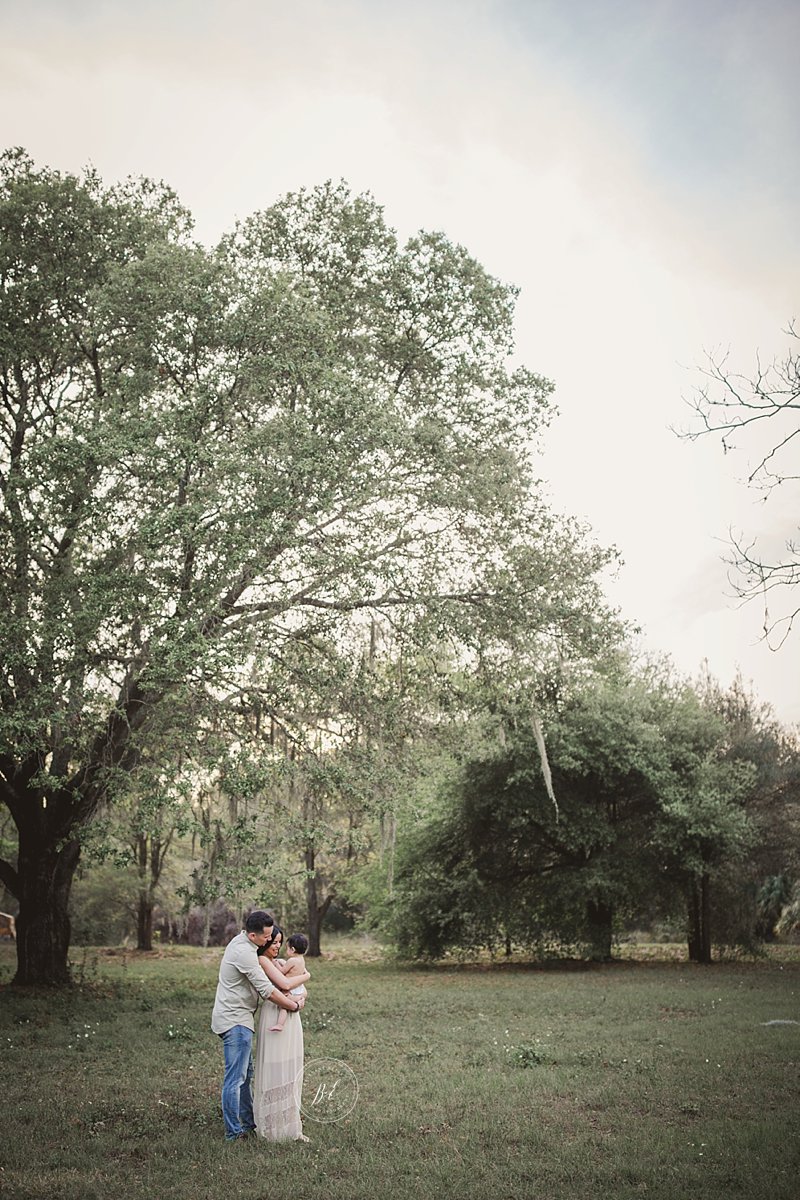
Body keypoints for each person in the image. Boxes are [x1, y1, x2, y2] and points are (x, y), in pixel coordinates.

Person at [211, 911, 309, 1143]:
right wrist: (293, 1005)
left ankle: (249, 1122)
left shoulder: (246, 942)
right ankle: (233, 1133)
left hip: (241, 1016)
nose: (270, 940)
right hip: (234, 1019)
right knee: (235, 1078)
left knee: (245, 1075)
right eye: (266, 937)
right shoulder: (245, 953)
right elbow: (269, 990)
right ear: (252, 934)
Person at [254, 925, 309, 1141]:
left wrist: (301, 996)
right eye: (273, 941)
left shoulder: (283, 962)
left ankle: (288, 1123)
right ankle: (271, 1125)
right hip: (276, 1010)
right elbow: (283, 982)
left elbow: (294, 986)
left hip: (289, 1012)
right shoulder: (263, 961)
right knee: (275, 1064)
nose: (277, 946)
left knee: (289, 1064)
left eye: (279, 942)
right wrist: (306, 976)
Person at [268, 932, 309, 1032]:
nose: (286, 950)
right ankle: (299, 999)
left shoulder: (292, 960)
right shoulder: (301, 959)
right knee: (289, 1004)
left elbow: (282, 972)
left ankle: (280, 1024)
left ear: (293, 949)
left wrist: (275, 963)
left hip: (290, 989)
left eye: (287, 948)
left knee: (284, 1006)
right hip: (297, 988)